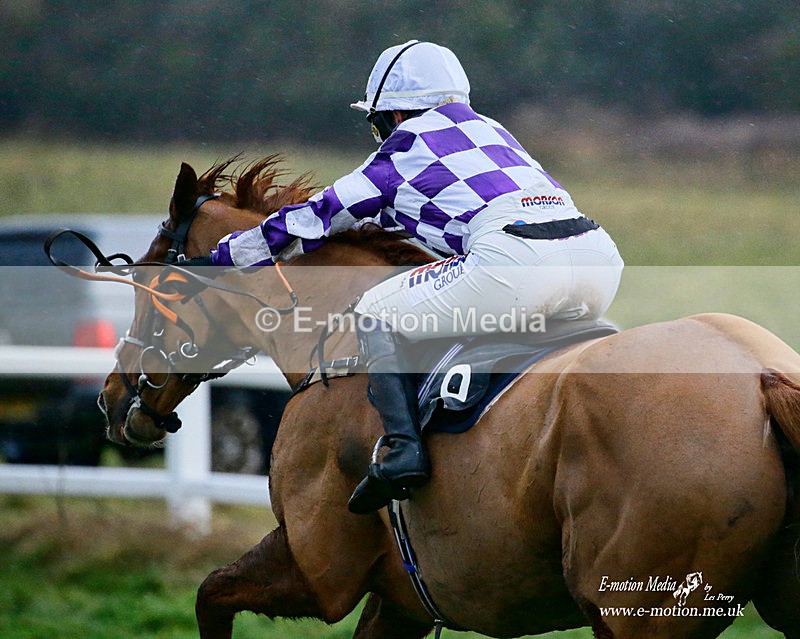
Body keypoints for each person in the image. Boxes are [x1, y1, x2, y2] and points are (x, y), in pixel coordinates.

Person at [207, 40, 624, 514]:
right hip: (597, 259)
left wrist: (222, 256)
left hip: (517, 261)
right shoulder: (492, 130)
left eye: (377, 123)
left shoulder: (404, 145)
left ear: (396, 116)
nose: (379, 133)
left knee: (374, 311)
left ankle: (403, 450)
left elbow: (317, 217)